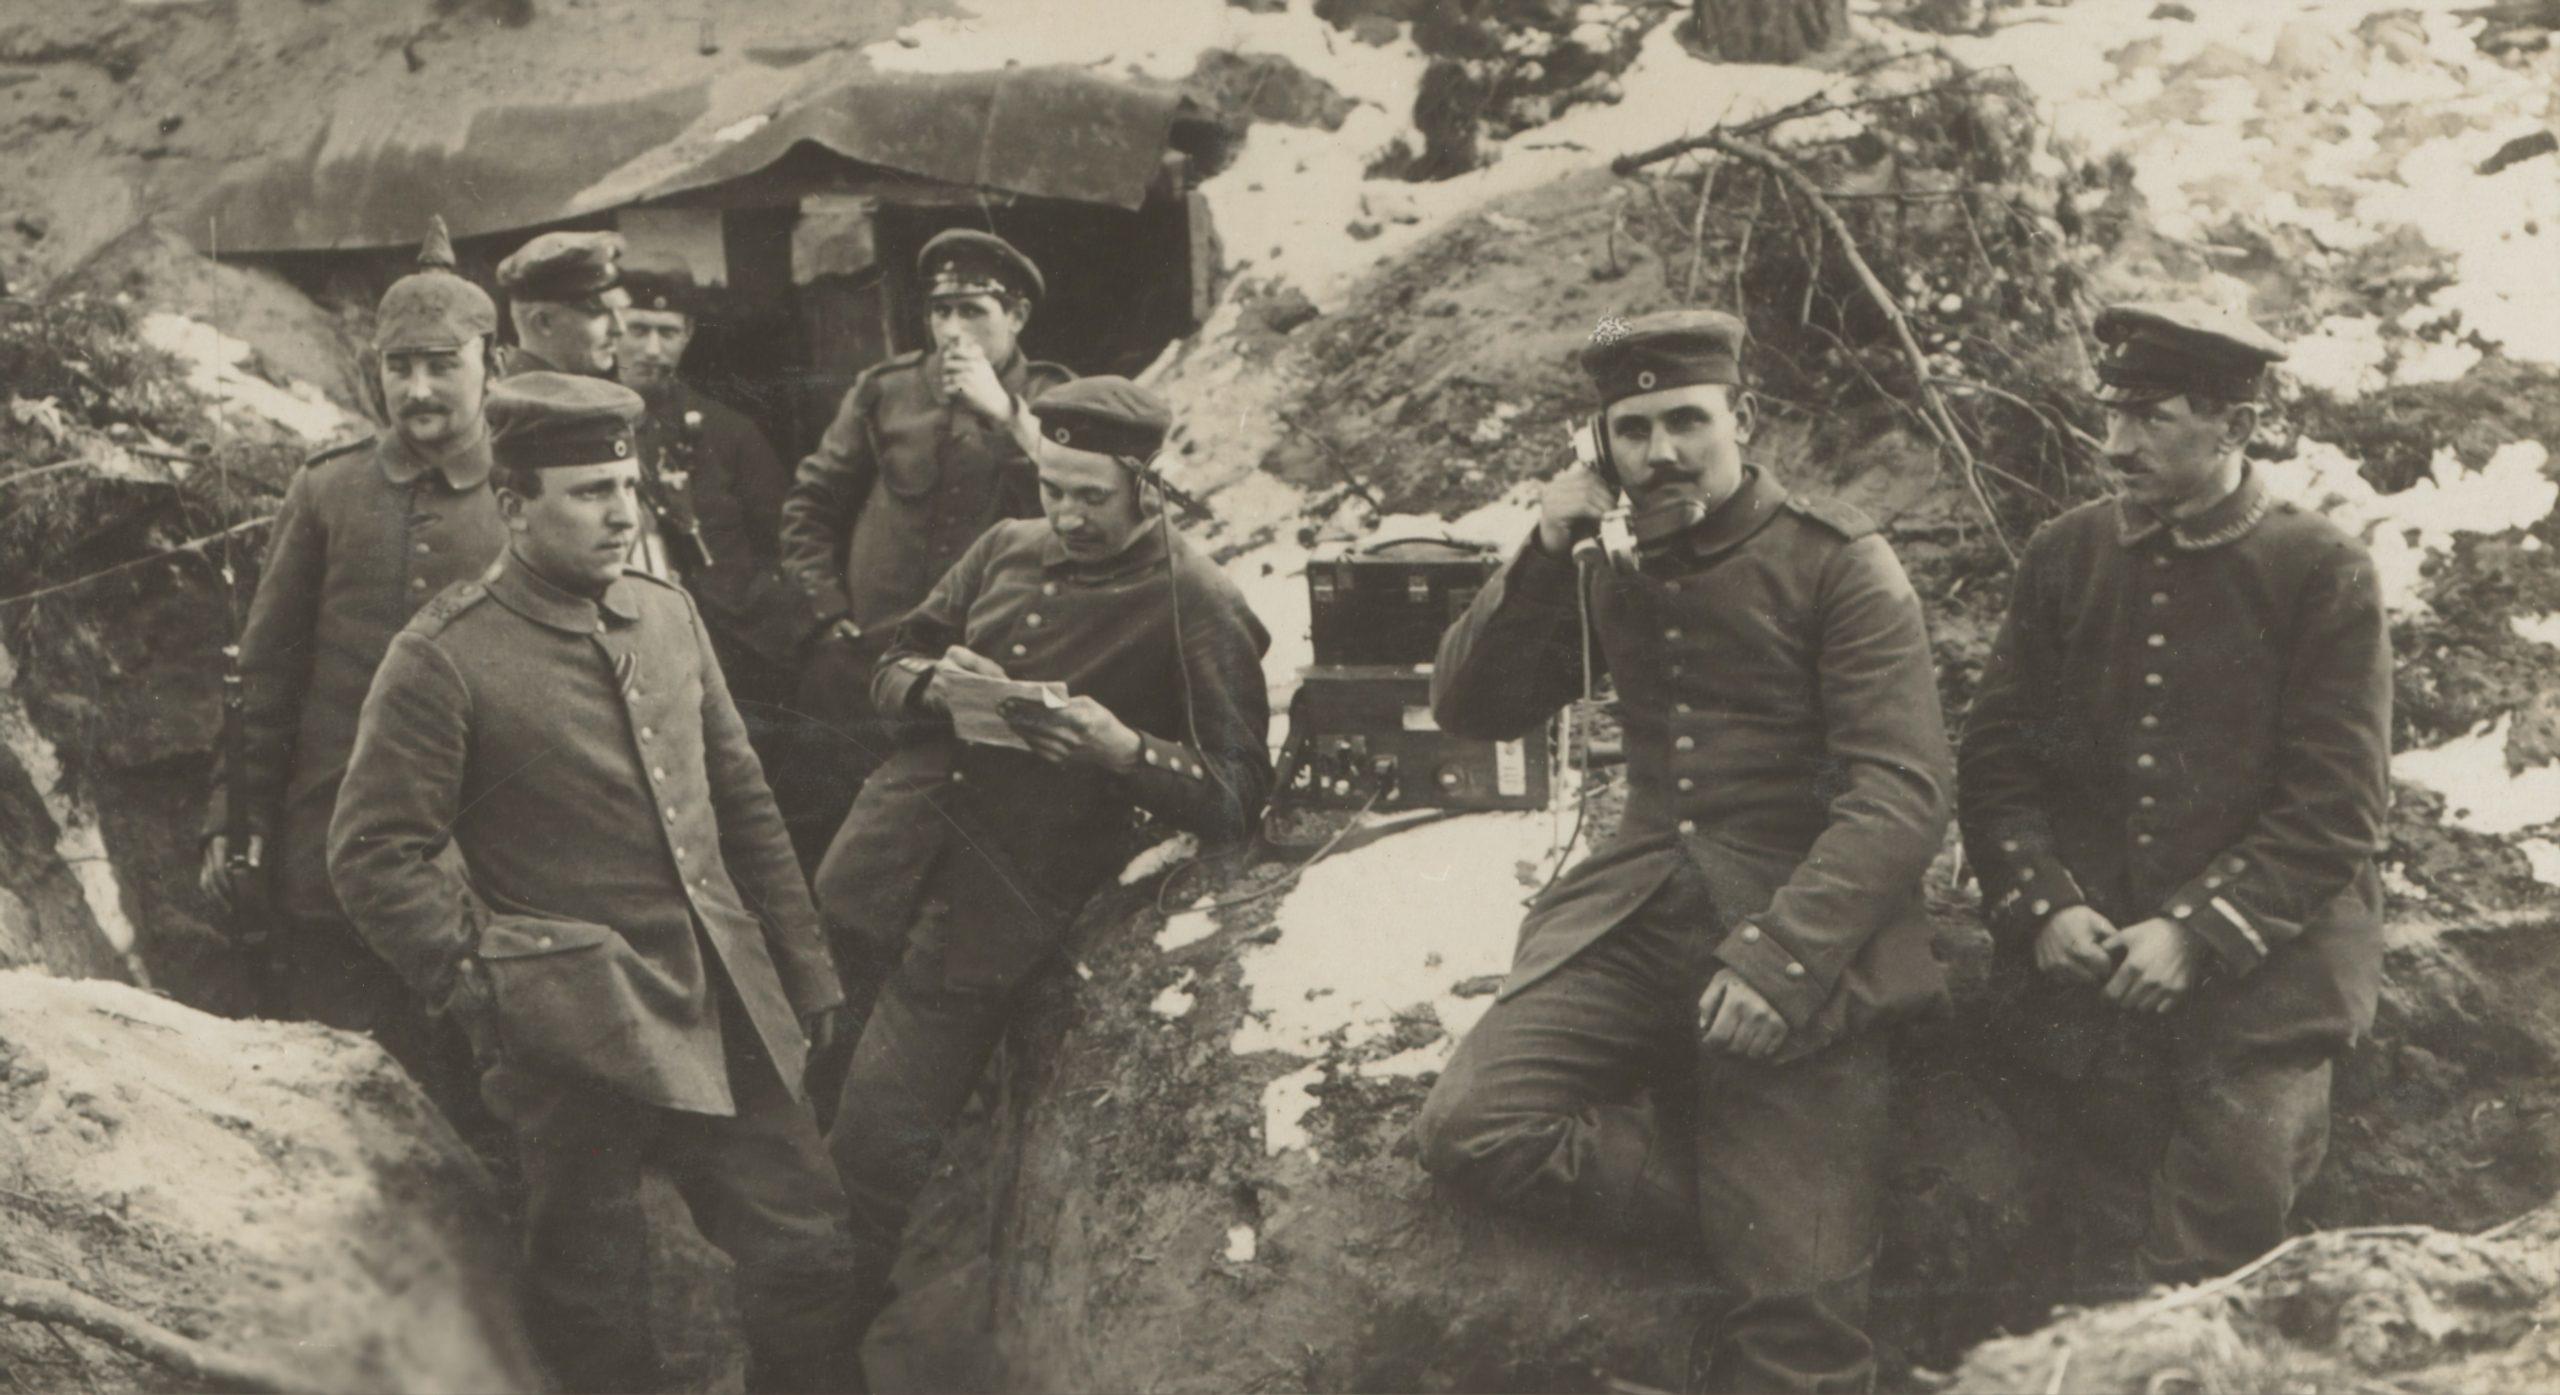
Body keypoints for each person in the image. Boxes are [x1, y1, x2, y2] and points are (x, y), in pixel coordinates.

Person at [1410, 309, 1953, 1393]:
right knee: (1476, 1126)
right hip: (1640, 902)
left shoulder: (1836, 562)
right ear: (1597, 446)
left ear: (1739, 421)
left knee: (1798, 1339)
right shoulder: (1608, 556)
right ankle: (1775, 1215)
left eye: (1687, 422)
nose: (1661, 453)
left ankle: (1804, 1245)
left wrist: (1778, 965)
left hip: (1807, 923)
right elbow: (1471, 706)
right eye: (1633, 429)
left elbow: (1900, 794)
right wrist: (1538, 550)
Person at [327, 373, 866, 1394]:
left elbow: (743, 805)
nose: (621, 511)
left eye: (627, 483)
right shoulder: (443, 656)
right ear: (512, 504)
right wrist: (487, 985)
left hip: (720, 1005)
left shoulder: (667, 617)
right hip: (569, 1034)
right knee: (596, 1306)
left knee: (808, 1255)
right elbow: (374, 854)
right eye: (586, 492)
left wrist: (803, 967)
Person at [811, 376, 1271, 1343]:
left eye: (1089, 495)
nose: (1063, 515)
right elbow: (894, 662)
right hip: (873, 877)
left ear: (1149, 486)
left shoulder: (1197, 600)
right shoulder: (1004, 547)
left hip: (983, 920)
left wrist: (1126, 753)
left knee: (867, 1162)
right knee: (813, 1123)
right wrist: (932, 683)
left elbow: (1238, 792)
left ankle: (819, 1353)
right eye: (1051, 487)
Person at [1958, 302, 2391, 1297]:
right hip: (2098, 978)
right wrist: (2045, 902)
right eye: (2111, 415)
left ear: (2233, 427)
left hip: (2262, 992)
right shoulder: (2067, 555)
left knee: (2211, 1265)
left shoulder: (2320, 571)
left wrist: (2195, 932)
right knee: (2093, 1267)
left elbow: (2335, 805)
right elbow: (1997, 760)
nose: (2115, 445)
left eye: (2150, 419)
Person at [198, 214, 502, 1121]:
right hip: (326, 854)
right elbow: (265, 676)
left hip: (483, 864)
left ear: (492, 363)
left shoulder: (527, 495)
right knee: (353, 1099)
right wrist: (231, 816)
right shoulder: (327, 490)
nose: (416, 389)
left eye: (441, 364)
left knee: (490, 1097)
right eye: (397, 365)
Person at [775, 229, 1073, 863]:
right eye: (941, 310)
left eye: (973, 310)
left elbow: (1078, 507)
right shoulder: (885, 390)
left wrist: (1008, 416)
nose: (952, 329)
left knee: (961, 840)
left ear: (1016, 315)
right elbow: (811, 502)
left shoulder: (1055, 397)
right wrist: (827, 613)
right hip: (865, 657)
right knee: (828, 824)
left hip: (986, 666)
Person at [619, 264, 810, 739]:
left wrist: (752, 607)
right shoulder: (587, 429)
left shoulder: (729, 432)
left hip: (730, 646)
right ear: (612, 331)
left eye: (667, 332)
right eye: (638, 329)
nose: (652, 348)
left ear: (686, 336)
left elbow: (786, 538)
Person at [493, 229, 628, 379]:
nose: (619, 328)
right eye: (597, 313)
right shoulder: (518, 398)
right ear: (544, 322)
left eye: (617, 311)